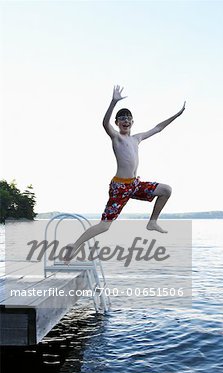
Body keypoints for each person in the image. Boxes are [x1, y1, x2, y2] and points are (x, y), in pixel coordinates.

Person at [64, 85, 185, 261]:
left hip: (135, 185)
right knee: (105, 226)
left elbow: (158, 128)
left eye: (128, 119)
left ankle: (152, 222)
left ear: (133, 122)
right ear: (117, 123)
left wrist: (177, 115)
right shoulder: (116, 137)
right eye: (122, 119)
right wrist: (113, 102)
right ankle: (75, 246)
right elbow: (104, 123)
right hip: (120, 186)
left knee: (166, 190)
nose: (126, 121)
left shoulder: (137, 138)